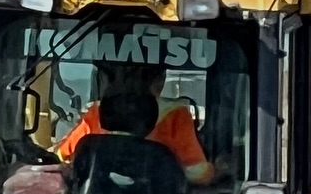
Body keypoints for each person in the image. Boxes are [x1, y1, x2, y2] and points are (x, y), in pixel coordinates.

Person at [56, 63, 213, 186]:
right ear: (160, 81)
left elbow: (62, 158)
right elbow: (197, 173)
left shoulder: (99, 111)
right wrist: (216, 171)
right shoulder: (176, 115)